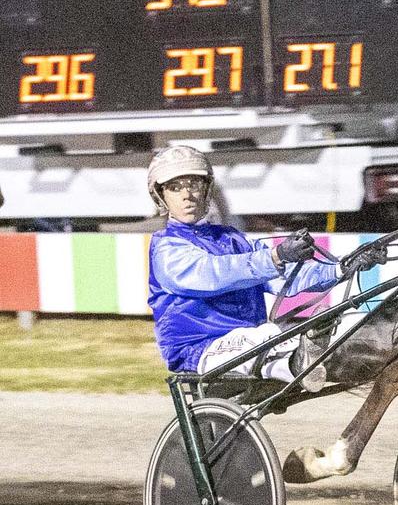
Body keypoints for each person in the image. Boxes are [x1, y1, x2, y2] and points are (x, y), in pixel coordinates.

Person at [146, 145, 382, 390]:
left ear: (206, 189)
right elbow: (214, 273)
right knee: (265, 337)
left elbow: (285, 277)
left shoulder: (233, 239)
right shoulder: (166, 247)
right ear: (160, 196)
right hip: (199, 347)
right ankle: (296, 365)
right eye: (175, 188)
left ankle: (304, 360)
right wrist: (274, 257)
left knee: (322, 326)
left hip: (248, 339)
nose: (187, 195)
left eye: (193, 184)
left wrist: (341, 268)